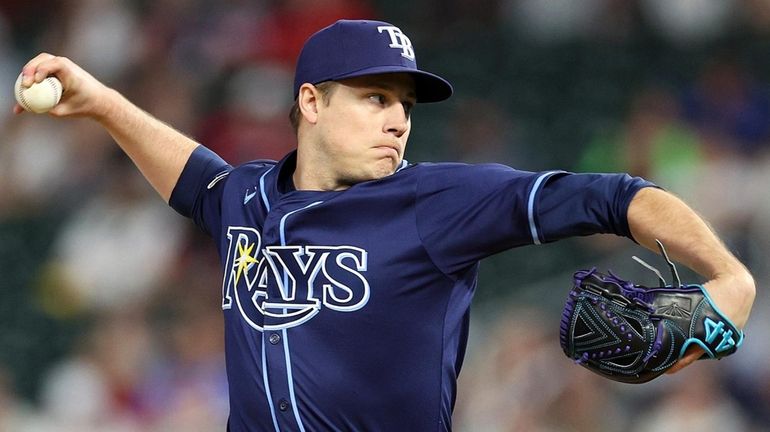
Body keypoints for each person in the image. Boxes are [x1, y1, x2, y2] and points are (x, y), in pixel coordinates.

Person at [15, 19, 755, 432]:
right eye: (374, 97)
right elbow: (195, 175)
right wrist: (105, 103)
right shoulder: (245, 200)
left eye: (404, 103)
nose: (399, 118)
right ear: (311, 104)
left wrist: (730, 279)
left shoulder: (440, 202)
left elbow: (618, 196)